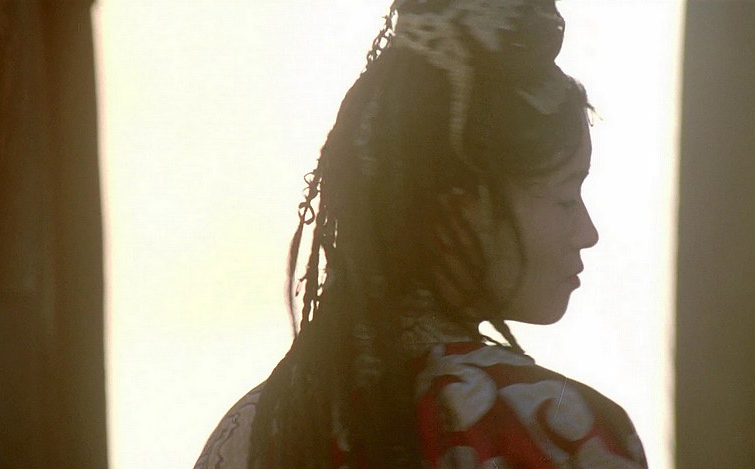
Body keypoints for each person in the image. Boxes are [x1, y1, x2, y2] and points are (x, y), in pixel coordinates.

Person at [195, 1, 648, 467]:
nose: (587, 233)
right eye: (566, 197)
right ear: (462, 206)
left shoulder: (254, 429)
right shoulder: (560, 430)